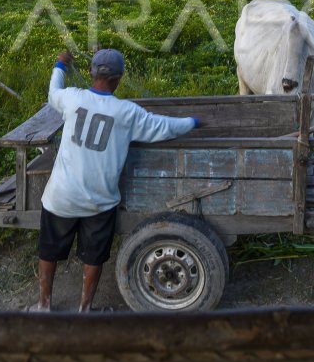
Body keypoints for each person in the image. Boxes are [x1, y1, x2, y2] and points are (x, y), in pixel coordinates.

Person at [34, 48, 199, 311]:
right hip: (99, 202)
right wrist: (193, 121)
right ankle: (85, 309)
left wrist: (60, 65)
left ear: (91, 72)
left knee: (49, 249)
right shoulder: (127, 113)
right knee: (94, 255)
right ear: (119, 78)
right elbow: (165, 127)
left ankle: (43, 304)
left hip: (61, 197)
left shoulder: (72, 100)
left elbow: (53, 92)